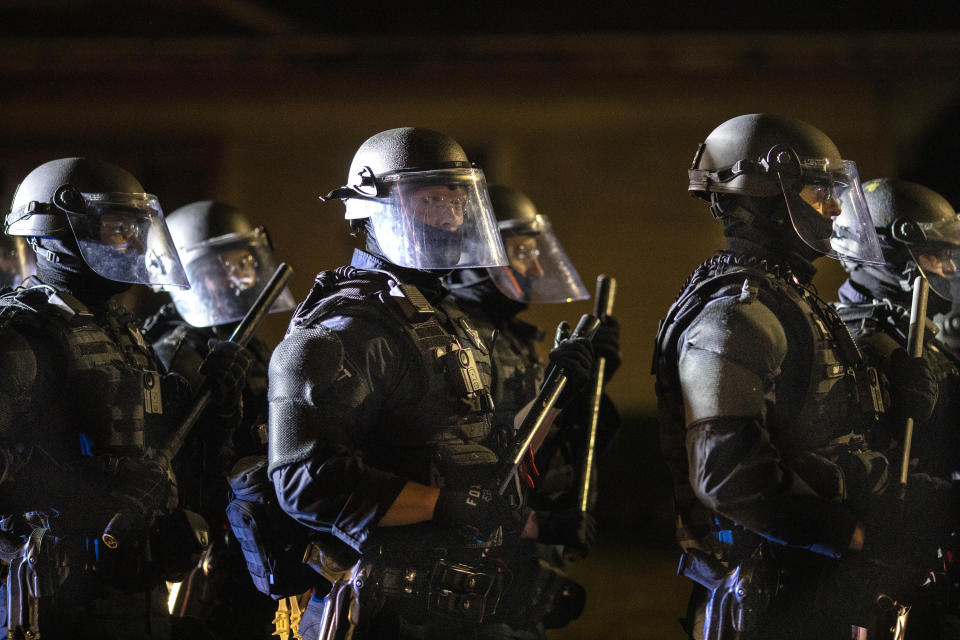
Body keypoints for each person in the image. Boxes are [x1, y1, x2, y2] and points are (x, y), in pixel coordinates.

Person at [267, 127, 595, 639]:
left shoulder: (450, 322)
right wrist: (442, 503)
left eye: (456, 199)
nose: (448, 216)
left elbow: (488, 450)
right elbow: (305, 481)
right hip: (382, 613)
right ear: (375, 208)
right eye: (430, 200)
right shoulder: (345, 331)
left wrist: (557, 391)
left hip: (463, 605)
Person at [652, 114, 914, 639]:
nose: (836, 209)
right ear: (770, 199)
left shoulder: (789, 298)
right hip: (767, 598)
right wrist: (852, 534)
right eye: (821, 194)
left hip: (814, 587)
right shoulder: (736, 314)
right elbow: (725, 476)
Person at [0, 158, 250, 640]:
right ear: (56, 235)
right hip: (50, 601)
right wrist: (82, 501)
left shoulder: (124, 334)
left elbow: (176, 463)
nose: (134, 245)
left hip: (140, 593)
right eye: (118, 229)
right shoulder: (18, 336)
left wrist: (217, 411)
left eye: (137, 229)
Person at [443, 184, 621, 630]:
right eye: (521, 251)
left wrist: (583, 392)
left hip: (515, 562)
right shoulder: (449, 340)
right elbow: (473, 461)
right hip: (461, 572)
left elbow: (537, 459)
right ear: (476, 254)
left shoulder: (514, 341)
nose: (537, 267)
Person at [142, 200, 295, 639]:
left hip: (256, 547)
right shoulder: (171, 356)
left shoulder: (254, 349)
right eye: (216, 266)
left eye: (242, 263)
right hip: (200, 557)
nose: (234, 278)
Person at [833, 177, 960, 636]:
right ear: (891, 259)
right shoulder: (860, 343)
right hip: (886, 580)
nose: (947, 268)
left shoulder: (915, 336)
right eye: (934, 255)